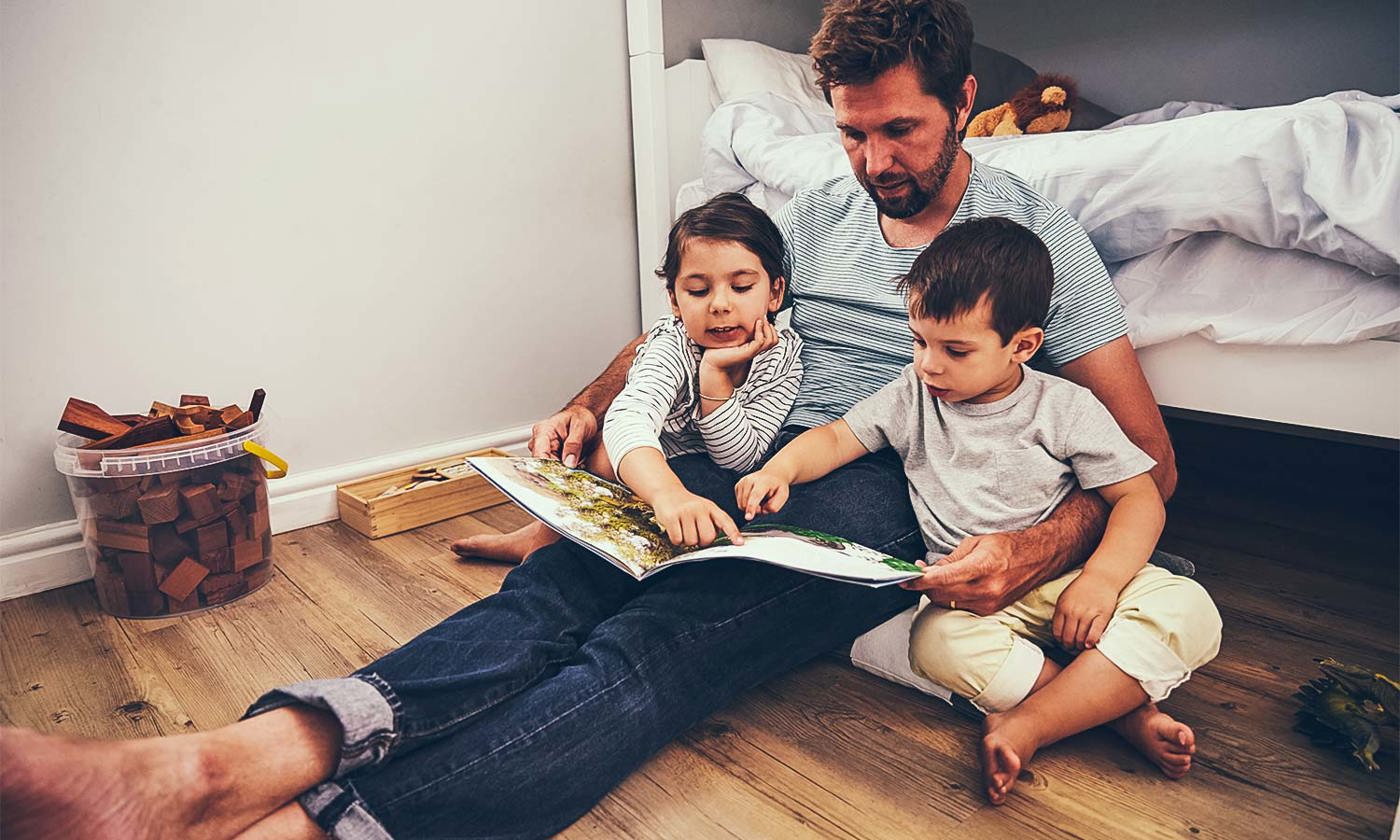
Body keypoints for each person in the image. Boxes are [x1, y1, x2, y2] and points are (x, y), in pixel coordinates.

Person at [0, 2, 1186, 837]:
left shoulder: (1034, 246)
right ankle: (214, 767)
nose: (871, 160)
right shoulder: (821, 209)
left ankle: (334, 830)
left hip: (884, 489)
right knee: (551, 595)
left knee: (652, 645)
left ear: (964, 103)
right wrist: (587, 408)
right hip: (753, 452)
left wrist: (1031, 549)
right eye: (849, 131)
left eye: (899, 132)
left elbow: (1147, 463)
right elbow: (698, 327)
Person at [736, 217, 1222, 805]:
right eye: (918, 342)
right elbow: (839, 436)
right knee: (933, 644)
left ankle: (1031, 723)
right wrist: (779, 469)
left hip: (1071, 579)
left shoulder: (1063, 407)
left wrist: (1100, 581)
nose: (928, 365)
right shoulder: (912, 395)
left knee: (1189, 608)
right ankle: (1116, 713)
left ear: (1022, 345)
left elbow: (1139, 496)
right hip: (974, 602)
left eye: (955, 350)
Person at [452, 193, 803, 563]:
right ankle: (543, 539)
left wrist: (714, 378)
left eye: (741, 287)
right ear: (674, 300)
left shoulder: (782, 357)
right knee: (601, 450)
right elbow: (628, 419)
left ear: (774, 292)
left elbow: (742, 458)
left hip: (701, 466)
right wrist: (667, 492)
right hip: (645, 463)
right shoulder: (671, 343)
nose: (719, 304)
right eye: (698, 291)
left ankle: (542, 536)